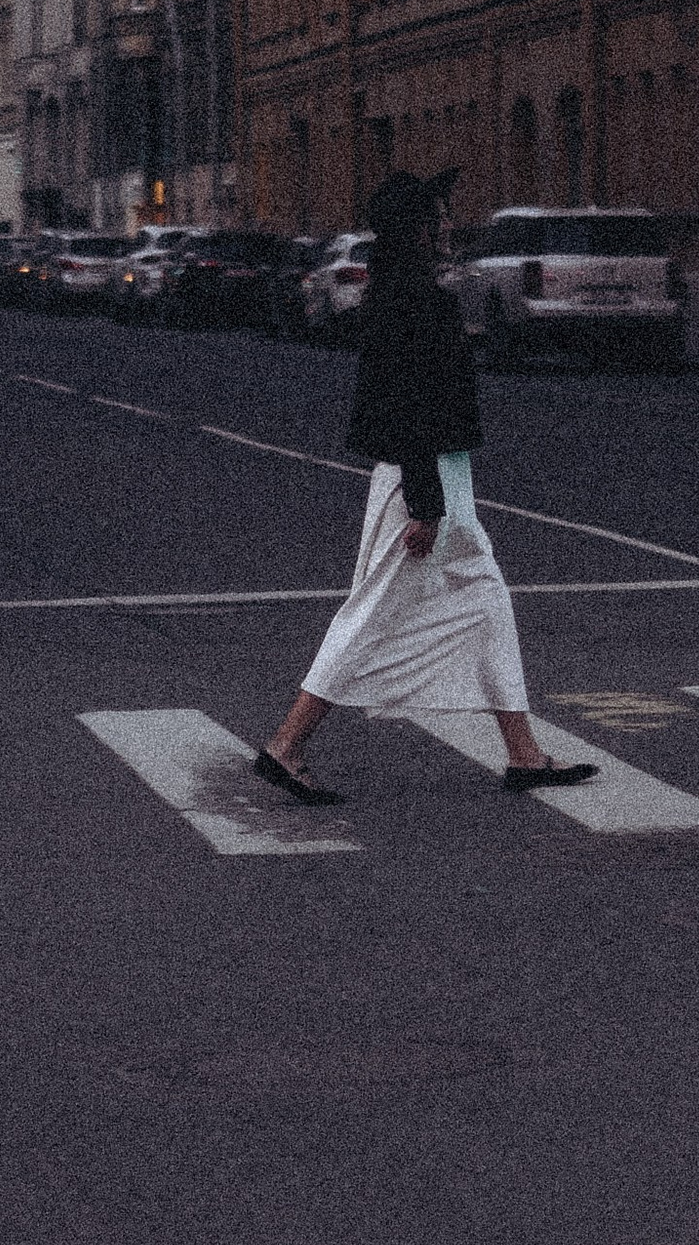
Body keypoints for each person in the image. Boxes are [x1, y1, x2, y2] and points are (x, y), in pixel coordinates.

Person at [255, 166, 597, 807]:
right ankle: (287, 745)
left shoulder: (402, 292)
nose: (448, 225)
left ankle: (524, 755)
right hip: (420, 481)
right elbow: (406, 404)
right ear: (418, 228)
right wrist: (427, 503)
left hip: (442, 474)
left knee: (487, 601)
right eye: (440, 215)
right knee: (372, 611)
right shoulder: (415, 300)